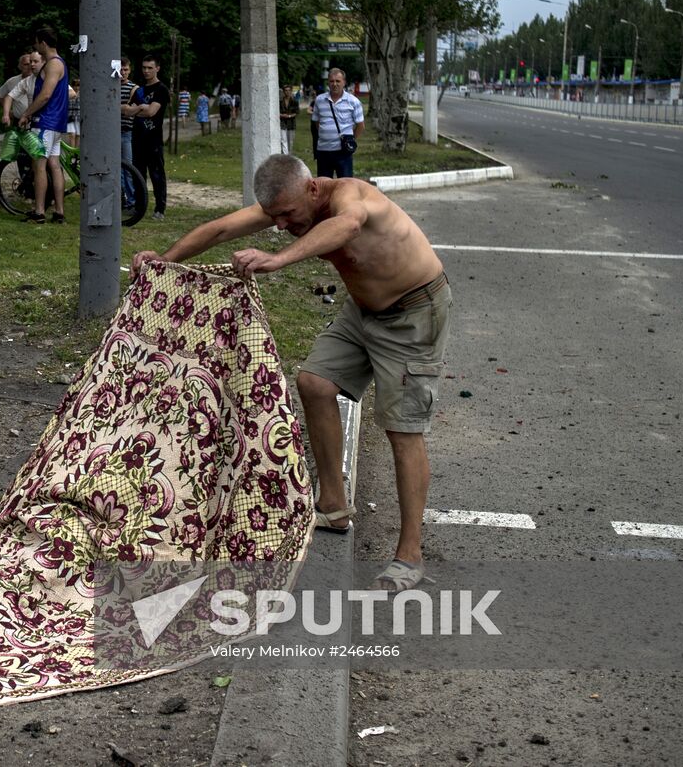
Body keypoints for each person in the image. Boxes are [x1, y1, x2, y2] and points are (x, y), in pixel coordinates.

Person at [132, 153, 450, 592]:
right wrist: (165, 260)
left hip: (413, 313)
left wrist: (279, 259)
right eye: (274, 217)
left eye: (287, 215)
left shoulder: (351, 197)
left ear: (313, 189)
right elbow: (222, 227)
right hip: (362, 312)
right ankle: (334, 504)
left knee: (402, 429)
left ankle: (409, 555)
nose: (280, 224)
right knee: (314, 383)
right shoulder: (290, 203)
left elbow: (348, 227)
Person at [16, 27, 69, 224]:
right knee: (54, 166)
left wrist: (26, 113)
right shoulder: (60, 63)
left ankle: (39, 211)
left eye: (37, 44)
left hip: (46, 122)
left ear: (43, 44)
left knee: (39, 166)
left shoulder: (52, 65)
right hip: (57, 124)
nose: (36, 47)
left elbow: (45, 95)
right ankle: (59, 211)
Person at [0, 51, 47, 184]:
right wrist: (7, 113)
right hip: (21, 122)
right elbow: (3, 95)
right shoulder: (15, 81)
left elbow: (70, 93)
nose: (30, 66)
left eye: (34, 62)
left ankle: (46, 193)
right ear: (20, 66)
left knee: (44, 159)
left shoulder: (47, 79)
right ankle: (27, 185)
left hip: (43, 121)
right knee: (22, 155)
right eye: (27, 63)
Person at [131, 55, 171, 220]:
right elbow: (125, 109)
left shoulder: (161, 89)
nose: (146, 71)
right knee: (138, 175)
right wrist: (140, 107)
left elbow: (151, 111)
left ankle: (159, 209)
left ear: (157, 68)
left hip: (153, 140)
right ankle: (139, 207)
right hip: (137, 138)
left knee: (156, 175)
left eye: (150, 68)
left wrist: (137, 109)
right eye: (144, 67)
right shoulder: (139, 90)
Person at [310, 68, 364, 178]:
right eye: (332, 81)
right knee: (324, 187)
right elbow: (316, 123)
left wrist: (350, 140)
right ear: (328, 83)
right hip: (323, 151)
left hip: (343, 152)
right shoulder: (319, 100)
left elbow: (360, 126)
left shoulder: (353, 101)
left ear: (344, 82)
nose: (334, 84)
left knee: (345, 187)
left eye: (338, 81)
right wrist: (327, 134)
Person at [278, 85, 298, 155]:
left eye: (289, 90)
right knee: (283, 140)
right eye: (286, 90)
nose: (287, 92)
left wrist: (289, 116)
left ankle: (289, 155)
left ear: (291, 91)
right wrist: (281, 115)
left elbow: (296, 112)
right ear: (283, 92)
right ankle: (285, 155)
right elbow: (277, 112)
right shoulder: (280, 101)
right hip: (282, 123)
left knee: (290, 141)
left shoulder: (294, 101)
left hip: (291, 123)